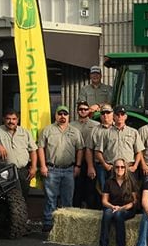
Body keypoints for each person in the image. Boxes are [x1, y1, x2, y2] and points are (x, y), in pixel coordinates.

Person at [37, 105, 84, 233]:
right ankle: (48, 223)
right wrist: (42, 166)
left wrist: (78, 166)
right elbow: (40, 148)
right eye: (60, 114)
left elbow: (80, 149)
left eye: (65, 114)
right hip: (52, 169)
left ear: (69, 116)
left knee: (67, 199)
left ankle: (66, 225)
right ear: (56, 115)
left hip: (69, 170)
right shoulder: (47, 130)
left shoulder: (75, 131)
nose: (62, 116)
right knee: (50, 198)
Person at [0, 109, 37, 199]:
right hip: (6, 172)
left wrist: (34, 167)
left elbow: (33, 150)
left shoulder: (25, 132)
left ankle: (21, 213)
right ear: (4, 119)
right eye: (8, 119)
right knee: (7, 198)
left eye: (14, 119)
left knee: (23, 197)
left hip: (23, 171)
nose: (11, 121)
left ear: (17, 120)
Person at [94, 105, 144, 180]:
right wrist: (105, 165)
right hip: (112, 168)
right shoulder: (106, 133)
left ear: (126, 116)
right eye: (117, 114)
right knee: (111, 190)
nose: (120, 116)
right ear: (114, 116)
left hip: (129, 168)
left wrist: (135, 166)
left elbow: (139, 151)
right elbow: (98, 152)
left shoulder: (133, 132)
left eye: (122, 114)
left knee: (131, 191)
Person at [98, 158, 138, 246]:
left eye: (122, 167)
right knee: (107, 213)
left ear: (126, 168)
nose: (120, 169)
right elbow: (104, 201)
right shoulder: (109, 182)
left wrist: (122, 208)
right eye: (117, 167)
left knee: (118, 215)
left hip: (127, 208)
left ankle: (121, 245)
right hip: (113, 207)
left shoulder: (130, 181)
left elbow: (135, 201)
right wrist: (112, 207)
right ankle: (103, 244)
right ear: (114, 169)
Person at [70, 100, 100, 208]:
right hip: (76, 161)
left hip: (90, 161)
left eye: (85, 109)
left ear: (89, 111)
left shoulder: (96, 125)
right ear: (77, 111)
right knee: (77, 188)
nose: (83, 111)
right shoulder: (71, 125)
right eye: (81, 109)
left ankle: (90, 211)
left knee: (91, 189)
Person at [87, 103, 114, 201]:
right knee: (102, 189)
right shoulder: (94, 130)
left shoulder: (118, 129)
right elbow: (89, 149)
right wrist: (90, 166)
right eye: (103, 113)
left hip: (115, 166)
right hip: (100, 166)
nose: (105, 115)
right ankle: (105, 210)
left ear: (112, 114)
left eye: (108, 112)